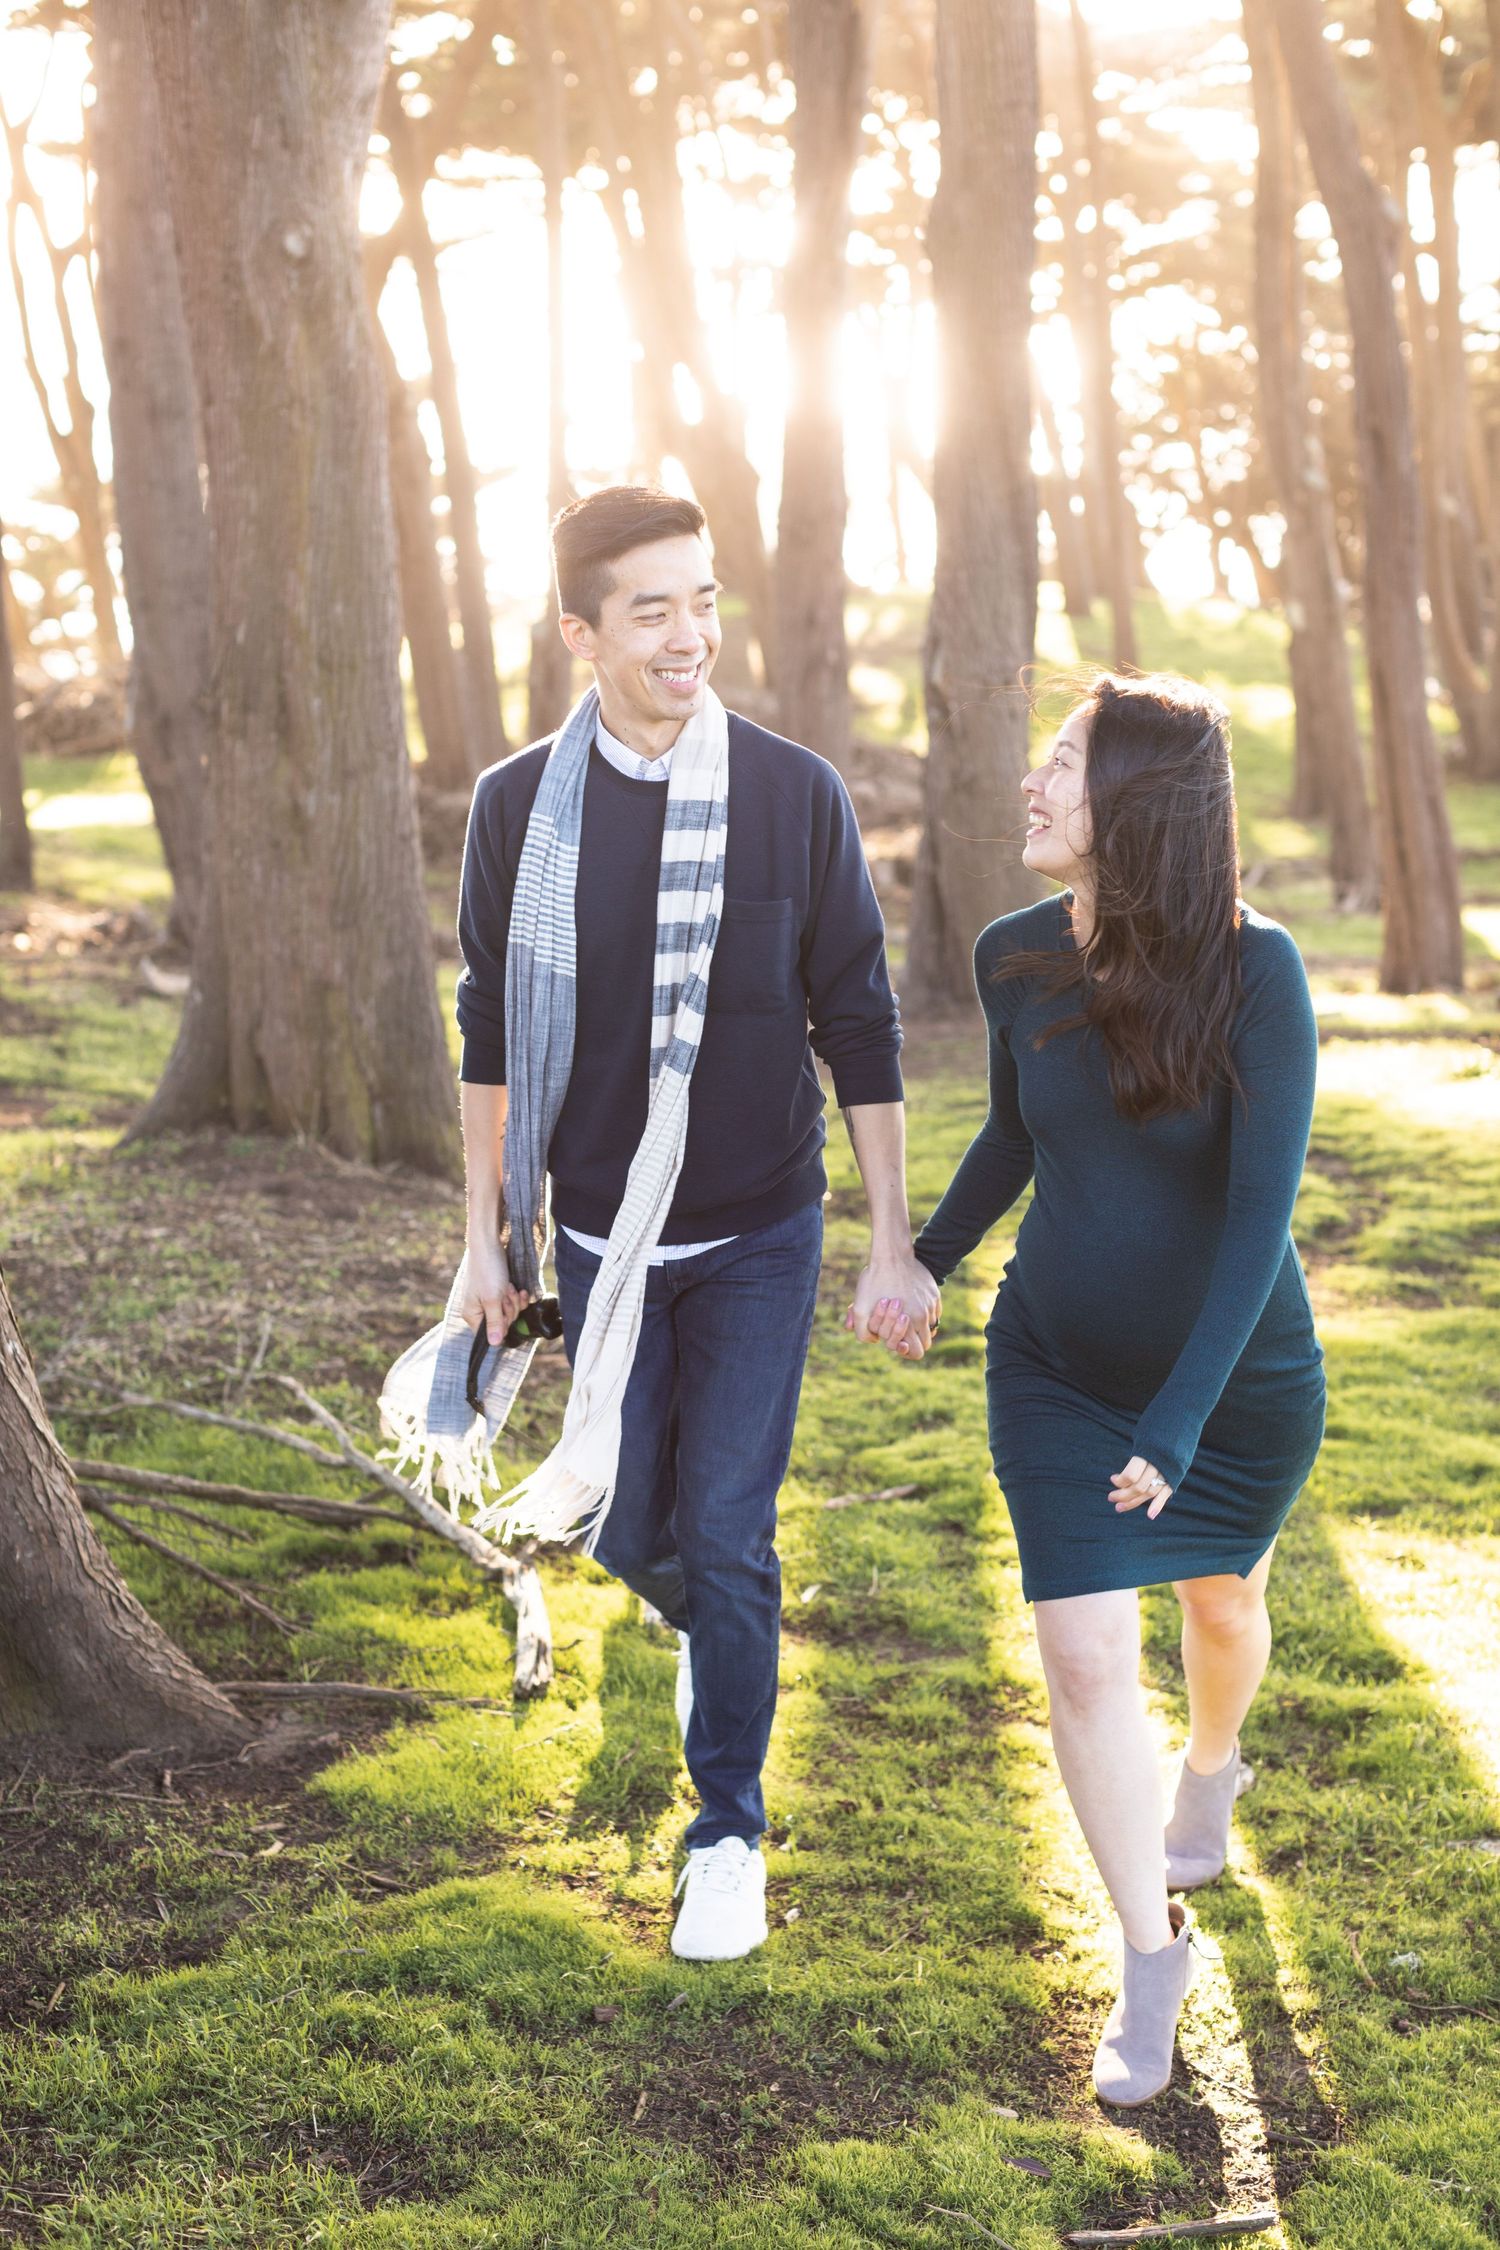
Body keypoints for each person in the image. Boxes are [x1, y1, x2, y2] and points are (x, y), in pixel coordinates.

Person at [453, 484, 939, 1963]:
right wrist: (483, 1235)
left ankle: (727, 1828)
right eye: (652, 608)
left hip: (757, 1230)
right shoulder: (516, 809)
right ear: (582, 634)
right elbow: (487, 1029)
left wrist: (892, 1237)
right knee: (624, 1524)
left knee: (727, 1531)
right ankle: (710, 1629)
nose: (690, 634)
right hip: (598, 1234)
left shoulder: (794, 794)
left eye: (704, 599)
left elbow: (859, 1019)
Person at [882, 672, 1324, 2106]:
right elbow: (1015, 1135)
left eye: (1064, 763)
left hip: (1230, 1384)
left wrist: (1180, 1424)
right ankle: (1150, 1949)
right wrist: (927, 1258)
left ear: (1136, 805)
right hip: (1058, 1367)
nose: (1031, 783)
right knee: (1081, 1660)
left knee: (1221, 1609)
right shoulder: (1013, 954)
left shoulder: (1258, 972)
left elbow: (1258, 1221)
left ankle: (1212, 1764)